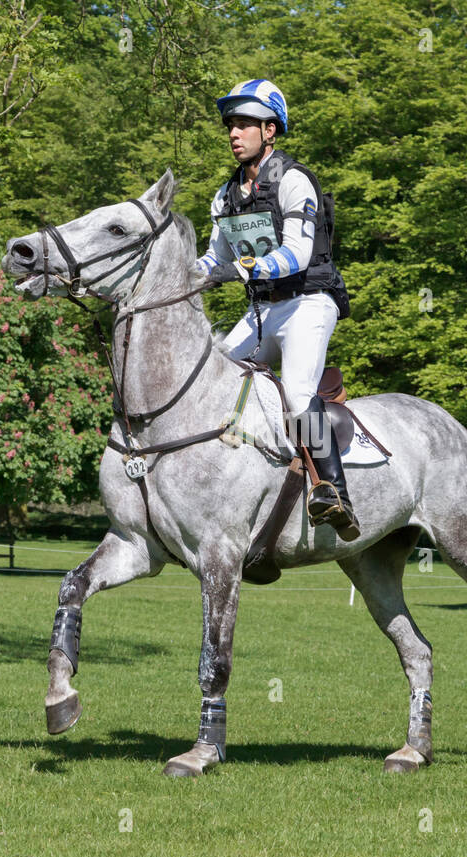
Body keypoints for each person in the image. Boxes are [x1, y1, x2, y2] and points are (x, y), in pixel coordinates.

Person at [193, 79, 359, 541]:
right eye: (231, 124)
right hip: (264, 309)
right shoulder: (225, 195)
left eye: (244, 123)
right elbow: (216, 261)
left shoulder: (293, 180)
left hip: (308, 302)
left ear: (271, 130)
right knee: (212, 375)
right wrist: (183, 277)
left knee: (299, 390)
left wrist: (249, 267)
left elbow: (298, 254)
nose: (233, 132)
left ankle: (333, 490)